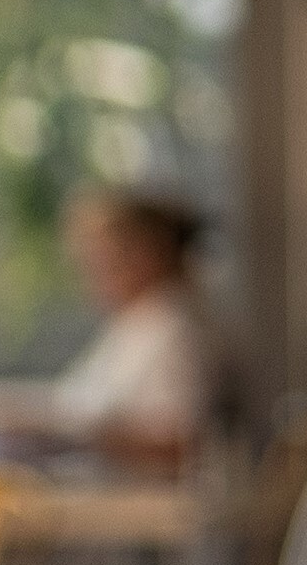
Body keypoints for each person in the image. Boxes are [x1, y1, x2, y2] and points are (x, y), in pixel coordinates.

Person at [34, 190, 229, 473]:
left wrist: (71, 436)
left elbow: (180, 442)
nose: (89, 273)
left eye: (101, 257)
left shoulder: (175, 330)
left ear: (146, 254)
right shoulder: (136, 324)